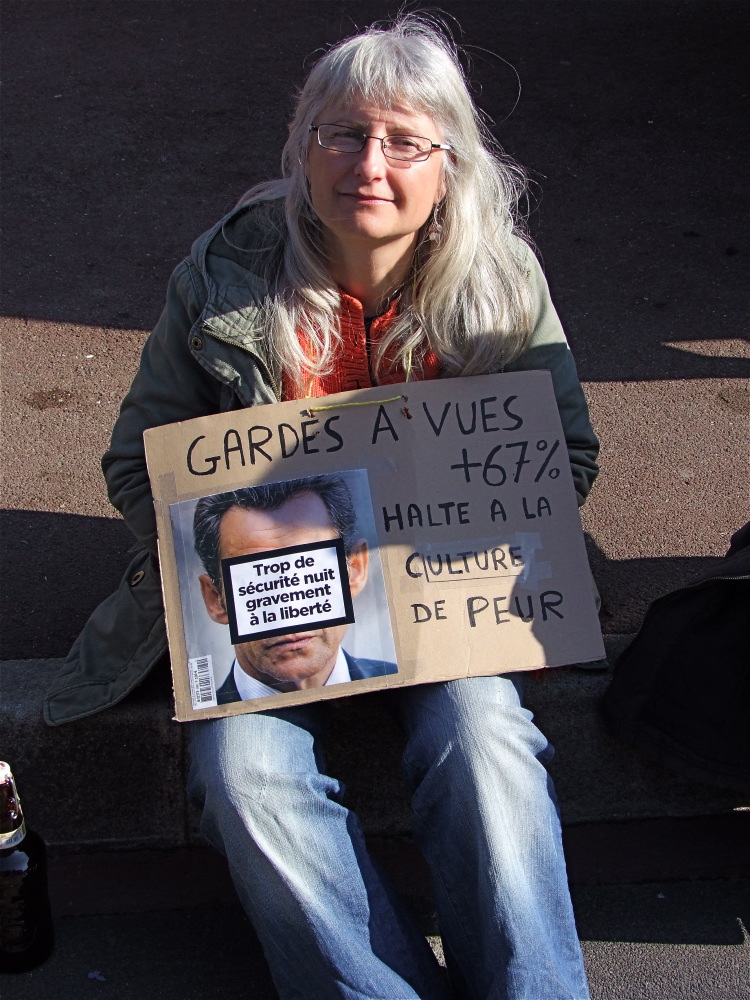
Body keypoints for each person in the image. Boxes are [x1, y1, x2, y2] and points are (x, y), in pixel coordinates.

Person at [46, 16, 599, 999]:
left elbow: (567, 455)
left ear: (449, 164)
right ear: (303, 147)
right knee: (244, 774)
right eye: (342, 132)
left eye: (404, 139)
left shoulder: (503, 282)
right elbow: (139, 463)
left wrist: (487, 545)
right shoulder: (223, 278)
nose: (369, 163)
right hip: (275, 614)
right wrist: (209, 556)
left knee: (487, 737)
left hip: (440, 605)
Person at [192, 477, 397, 703]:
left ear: (355, 570)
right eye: (257, 584)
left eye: (308, 573)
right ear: (215, 599)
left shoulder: (410, 687)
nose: (289, 614)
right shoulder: (199, 730)